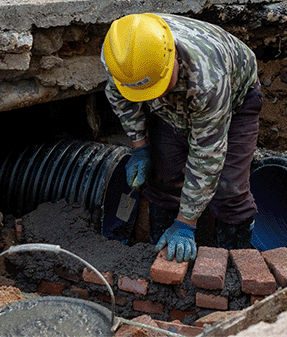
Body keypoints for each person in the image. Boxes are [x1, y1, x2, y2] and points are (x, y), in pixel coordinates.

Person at [101, 13, 261, 262]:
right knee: (163, 179)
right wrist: (139, 146)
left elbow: (206, 154)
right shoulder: (121, 59)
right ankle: (156, 256)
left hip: (235, 99)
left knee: (229, 191)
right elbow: (121, 100)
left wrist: (186, 224)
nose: (157, 95)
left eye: (159, 86)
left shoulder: (208, 78)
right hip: (172, 106)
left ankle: (233, 268)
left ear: (173, 59)